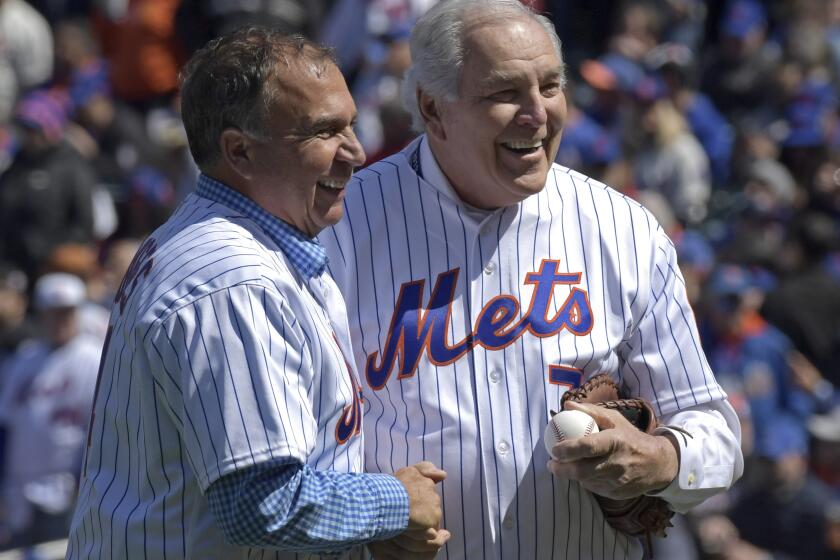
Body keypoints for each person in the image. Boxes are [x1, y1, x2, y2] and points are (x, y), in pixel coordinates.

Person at [320, 1, 744, 557]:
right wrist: (366, 516)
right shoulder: (341, 229)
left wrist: (660, 459)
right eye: (505, 92)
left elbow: (714, 432)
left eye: (549, 86)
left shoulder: (622, 228)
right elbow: (298, 451)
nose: (537, 114)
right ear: (432, 107)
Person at [66, 27, 449, 559]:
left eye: (351, 126)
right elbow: (260, 503)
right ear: (240, 152)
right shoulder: (234, 280)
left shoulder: (228, 246)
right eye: (324, 132)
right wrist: (396, 503)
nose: (356, 153)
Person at [0, 273, 102, 551]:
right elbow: (5, 427)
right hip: (19, 493)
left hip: (67, 492)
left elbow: (99, 431)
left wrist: (84, 486)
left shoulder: (94, 359)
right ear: (40, 315)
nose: (60, 320)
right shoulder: (24, 359)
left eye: (66, 312)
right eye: (52, 313)